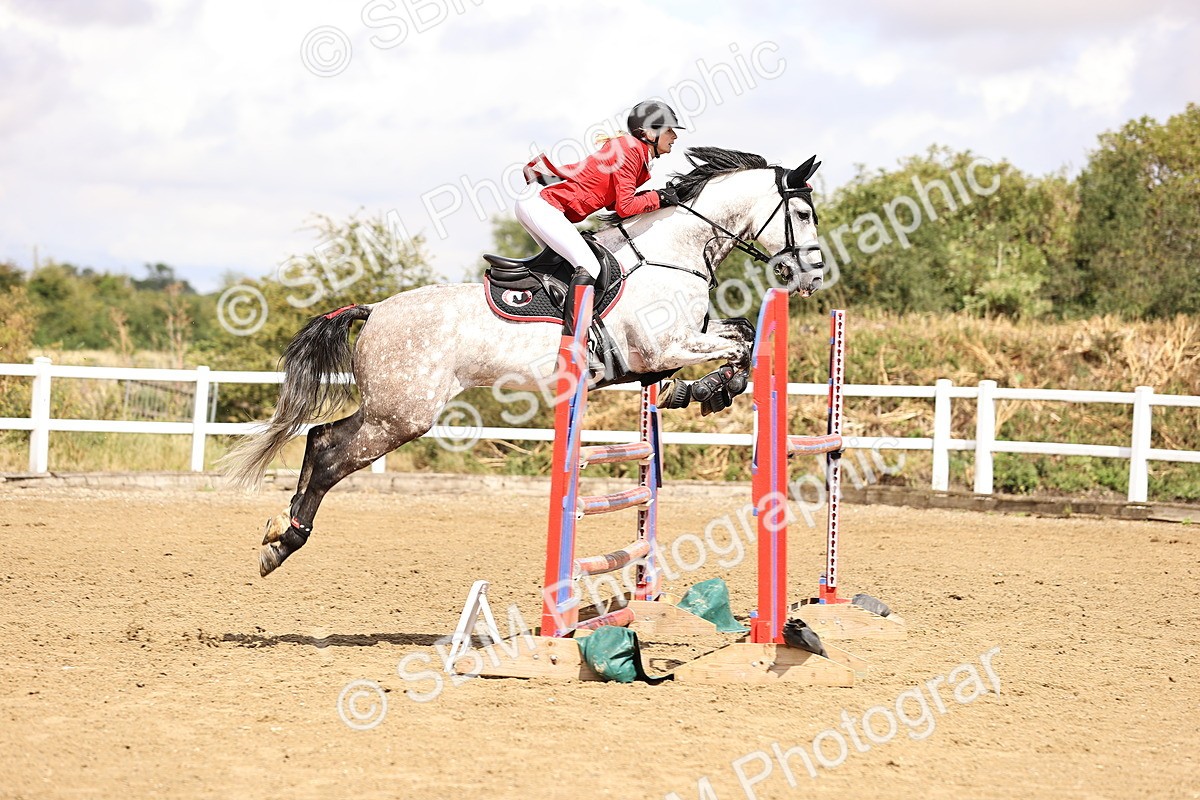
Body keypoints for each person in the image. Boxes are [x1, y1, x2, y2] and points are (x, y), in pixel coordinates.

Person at [514, 99, 684, 331]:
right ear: (649, 132)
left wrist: (657, 197)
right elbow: (625, 207)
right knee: (588, 266)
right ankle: (576, 341)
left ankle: (550, 327)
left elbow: (613, 205)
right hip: (543, 203)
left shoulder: (634, 151)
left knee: (563, 270)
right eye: (669, 130)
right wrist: (658, 198)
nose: (674, 136)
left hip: (539, 202)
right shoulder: (631, 150)